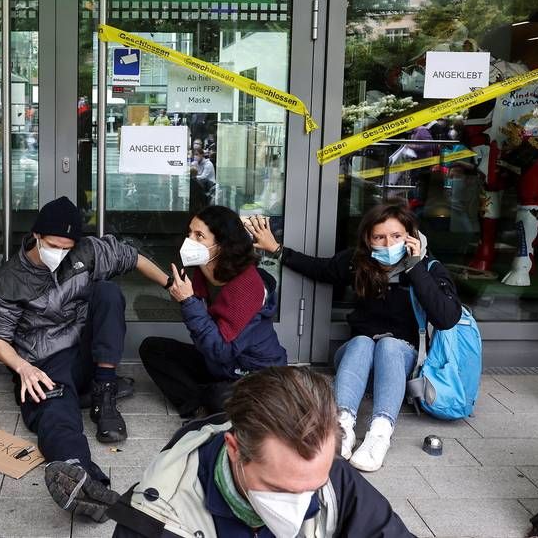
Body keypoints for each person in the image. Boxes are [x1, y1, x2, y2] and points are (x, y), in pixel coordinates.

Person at [45, 367, 413, 536]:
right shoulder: (154, 521)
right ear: (234, 449)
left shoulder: (327, 476)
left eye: (313, 485)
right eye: (280, 488)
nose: (303, 503)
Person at [244, 199, 461, 472]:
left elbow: (447, 318)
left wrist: (415, 267)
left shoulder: (427, 269)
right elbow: (320, 268)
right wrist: (277, 250)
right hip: (356, 365)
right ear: (368, 240)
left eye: (395, 236)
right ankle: (341, 426)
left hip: (398, 363)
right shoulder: (357, 262)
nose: (387, 244)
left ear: (411, 236)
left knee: (389, 346)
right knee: (361, 341)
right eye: (379, 238)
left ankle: (380, 433)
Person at [0, 196, 170, 503]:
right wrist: (23, 368)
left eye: (67, 248)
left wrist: (171, 284)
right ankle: (78, 475)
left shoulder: (87, 251)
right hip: (44, 360)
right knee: (55, 412)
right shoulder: (7, 280)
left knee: (108, 292)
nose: (61, 254)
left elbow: (132, 257)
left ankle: (103, 395)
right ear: (37, 236)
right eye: (54, 246)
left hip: (85, 354)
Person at [140, 206, 287, 419]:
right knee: (153, 349)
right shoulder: (203, 271)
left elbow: (221, 349)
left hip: (256, 372)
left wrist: (189, 301)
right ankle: (200, 406)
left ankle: (209, 402)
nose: (189, 241)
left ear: (223, 245)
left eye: (199, 236)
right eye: (189, 233)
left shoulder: (248, 285)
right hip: (221, 365)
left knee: (217, 397)